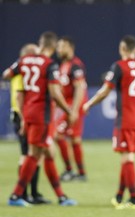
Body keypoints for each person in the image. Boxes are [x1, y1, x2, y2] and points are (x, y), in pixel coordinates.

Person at [3, 31, 77, 207]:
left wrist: (26, 80)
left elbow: (7, 74)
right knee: (34, 154)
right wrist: (68, 111)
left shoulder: (24, 61)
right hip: (41, 115)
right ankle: (16, 195)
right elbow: (54, 93)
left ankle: (61, 196)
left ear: (40, 43)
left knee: (49, 152)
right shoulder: (50, 65)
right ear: (52, 47)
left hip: (28, 113)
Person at [83, 35, 135, 210]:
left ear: (122, 48)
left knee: (127, 158)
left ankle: (134, 199)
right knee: (127, 157)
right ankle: (119, 196)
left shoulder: (119, 66)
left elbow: (106, 90)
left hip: (126, 118)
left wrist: (89, 103)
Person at [9, 43, 51, 204]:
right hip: (24, 115)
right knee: (27, 154)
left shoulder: (21, 70)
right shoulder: (22, 73)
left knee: (35, 154)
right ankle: (22, 194)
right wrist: (23, 119)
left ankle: (32, 193)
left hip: (27, 115)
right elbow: (20, 96)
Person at [55, 36, 88, 182]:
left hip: (75, 106)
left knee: (59, 135)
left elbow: (79, 88)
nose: (59, 49)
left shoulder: (75, 65)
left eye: (62, 46)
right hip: (68, 106)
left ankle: (71, 170)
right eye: (58, 46)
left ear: (70, 48)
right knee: (73, 139)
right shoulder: (64, 64)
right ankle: (79, 172)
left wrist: (74, 110)